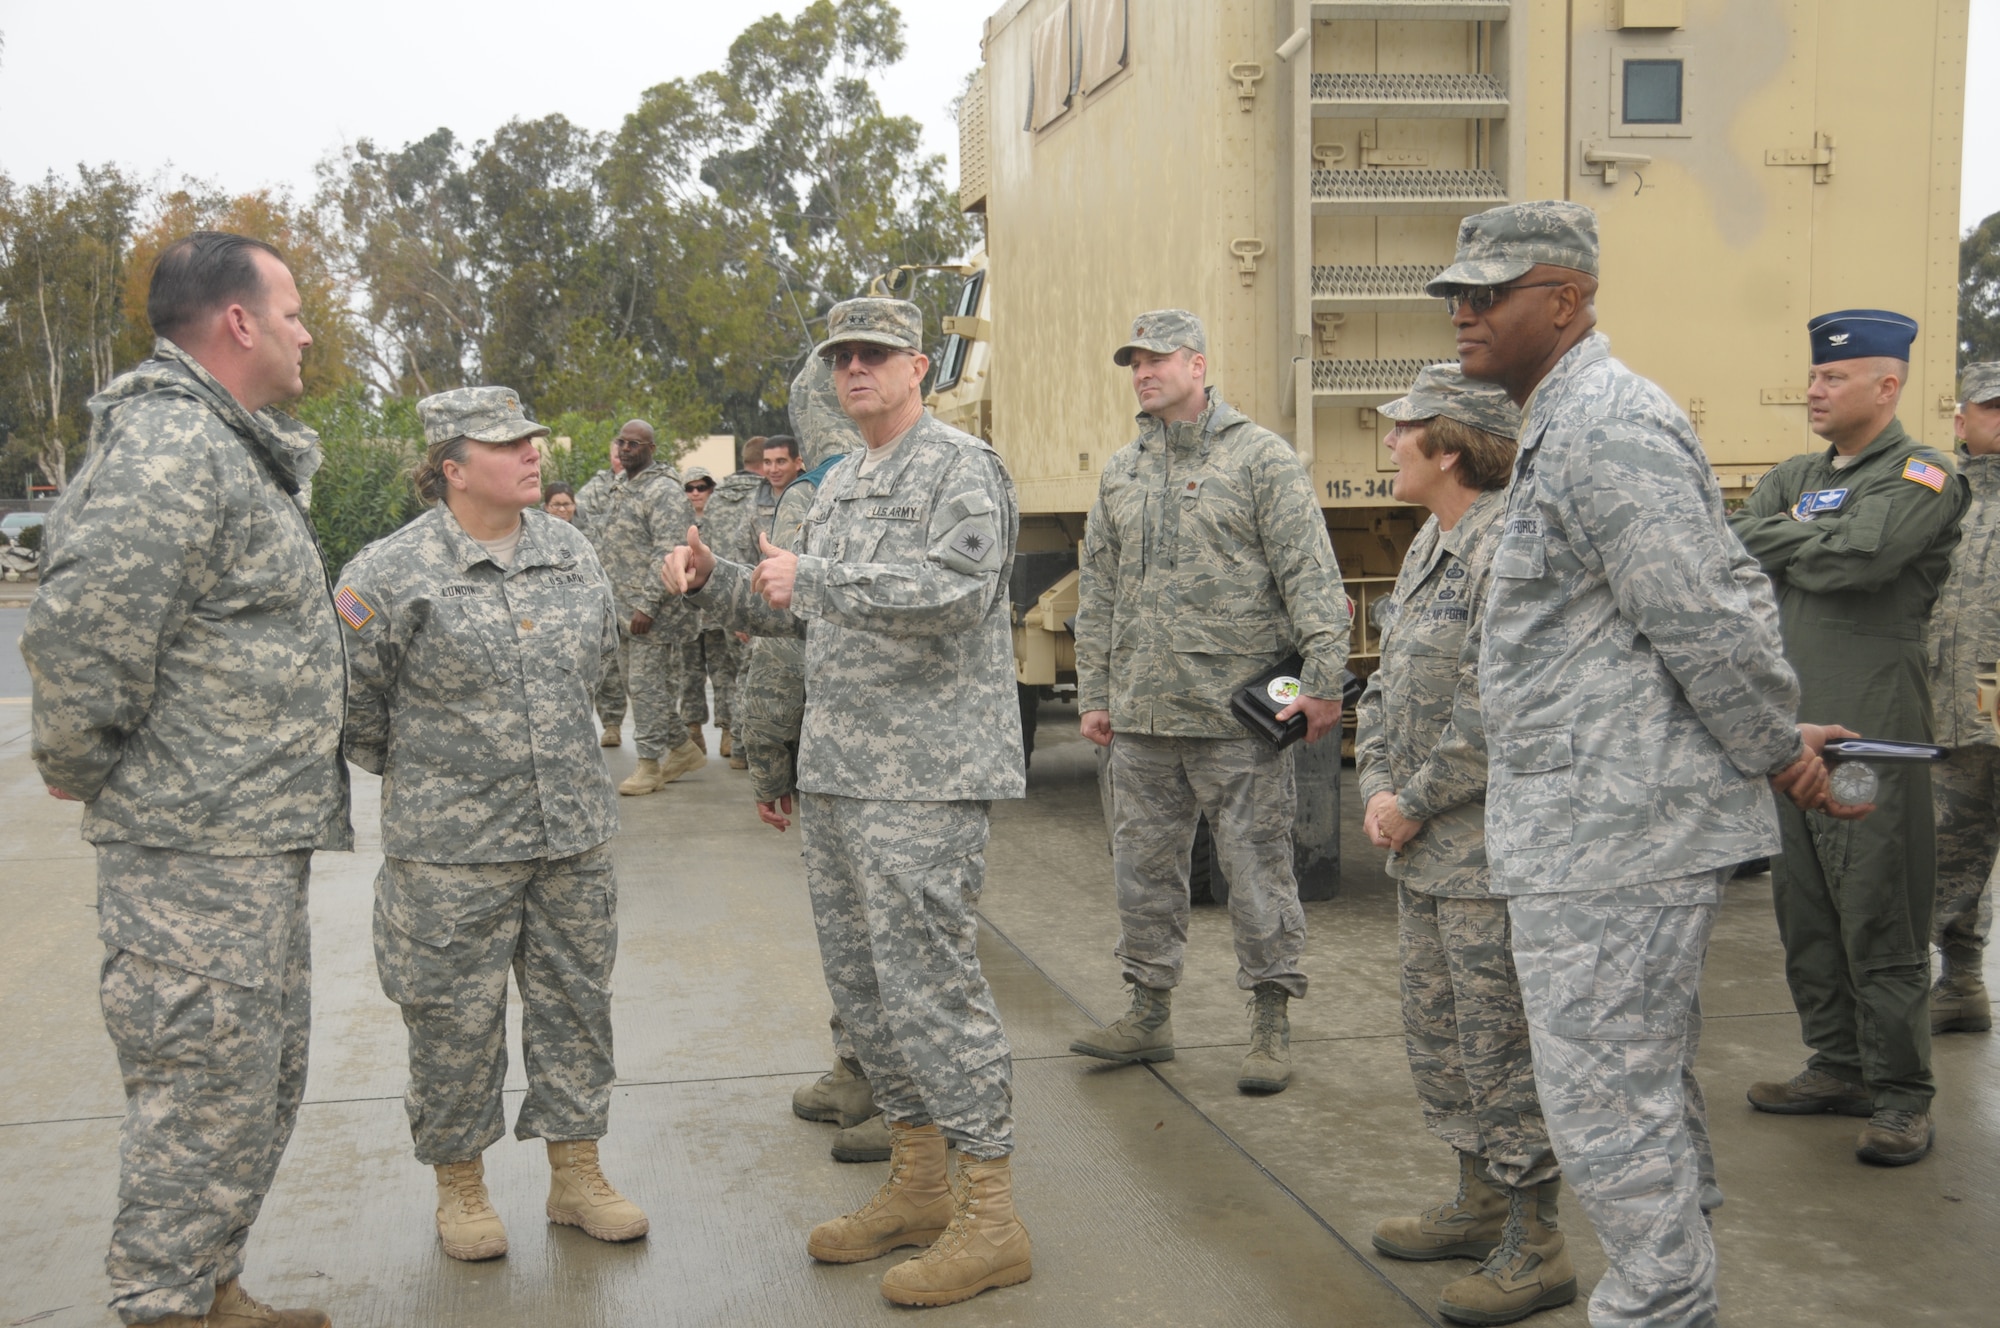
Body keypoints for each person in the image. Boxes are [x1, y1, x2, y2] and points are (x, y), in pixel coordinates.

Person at [1435, 200, 1863, 1328]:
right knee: (1634, 1094)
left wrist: (1777, 747)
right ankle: (1670, 1291)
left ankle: (1656, 1305)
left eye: (1489, 293)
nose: (1463, 313)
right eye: (1458, 294)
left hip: (1616, 836)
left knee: (1604, 1102)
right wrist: (1774, 740)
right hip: (1591, 827)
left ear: (1566, 300)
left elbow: (1708, 617)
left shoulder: (1608, 422)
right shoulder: (1562, 420)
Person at [665, 297, 1031, 1307]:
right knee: (867, 992)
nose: (855, 369)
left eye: (873, 355)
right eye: (840, 357)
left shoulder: (960, 466)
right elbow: (792, 607)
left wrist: (811, 574)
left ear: (920, 364)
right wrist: (716, 578)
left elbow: (958, 591)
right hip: (839, 771)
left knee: (932, 989)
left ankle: (990, 1213)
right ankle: (916, 1185)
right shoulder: (843, 480)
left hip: (926, 771)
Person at [22, 230, 351, 1328]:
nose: (307, 330)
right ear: (239, 321)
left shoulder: (226, 442)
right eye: (294, 309)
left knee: (251, 1083)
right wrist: (81, 760)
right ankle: (165, 1305)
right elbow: (81, 630)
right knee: (199, 1095)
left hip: (242, 835)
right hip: (190, 848)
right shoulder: (170, 447)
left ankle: (212, 1287)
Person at [335, 385, 648, 1265]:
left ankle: (577, 1175)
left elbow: (601, 664)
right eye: (506, 444)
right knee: (451, 1020)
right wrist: (442, 781)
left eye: (532, 439)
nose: (531, 453)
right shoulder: (387, 573)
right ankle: (461, 1186)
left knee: (577, 1005)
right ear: (451, 468)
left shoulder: (572, 551)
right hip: (451, 851)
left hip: (572, 837)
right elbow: (355, 711)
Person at [1067, 309, 1350, 1095]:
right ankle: (1148, 1012)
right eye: (1134, 362)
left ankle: (1269, 1019)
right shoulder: (1122, 469)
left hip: (1235, 718)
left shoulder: (1261, 459)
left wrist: (1324, 678)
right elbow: (1101, 592)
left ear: (1197, 364)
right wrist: (1095, 692)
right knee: (1142, 871)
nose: (1143, 372)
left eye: (1158, 359)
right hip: (1143, 719)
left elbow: (1310, 575)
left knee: (1257, 872)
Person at [1356, 366, 1573, 1324]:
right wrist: (1373, 786)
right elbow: (1385, 680)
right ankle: (1479, 1200)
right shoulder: (1428, 547)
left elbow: (1500, 706)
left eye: (1401, 431)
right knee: (1443, 1038)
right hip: (1424, 850)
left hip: (1488, 853)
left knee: (1501, 1047)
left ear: (1448, 448)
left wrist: (1414, 798)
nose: (1388, 443)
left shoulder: (1507, 548)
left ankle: (1539, 1240)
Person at [1732, 313, 1969, 1166]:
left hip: (1873, 722)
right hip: (1790, 722)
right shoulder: (1792, 473)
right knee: (1805, 906)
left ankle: (1903, 1095)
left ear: (1887, 386)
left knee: (1879, 909)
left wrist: (1793, 544)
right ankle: (1837, 1066)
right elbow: (1737, 547)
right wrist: (1808, 543)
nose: (1815, 389)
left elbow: (1860, 561)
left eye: (1835, 378)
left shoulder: (1923, 472)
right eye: (1814, 376)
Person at [745, 354, 883, 1164]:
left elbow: (783, 640)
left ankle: (882, 1085)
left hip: (850, 751)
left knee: (865, 930)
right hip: (881, 751)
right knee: (864, 929)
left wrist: (769, 759)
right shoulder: (890, 477)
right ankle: (861, 1069)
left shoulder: (813, 496)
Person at [1926, 361, 2000, 1034]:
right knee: (1955, 837)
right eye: (1995, 407)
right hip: (1966, 698)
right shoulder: (1940, 497)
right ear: (1964, 418)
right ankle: (1963, 982)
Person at [594, 419, 704, 794]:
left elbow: (669, 551)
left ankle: (648, 766)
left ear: (651, 449)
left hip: (652, 614)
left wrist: (647, 605)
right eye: (621, 442)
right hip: (622, 610)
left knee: (645, 688)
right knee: (637, 686)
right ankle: (682, 748)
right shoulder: (622, 486)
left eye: (635, 444)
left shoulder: (663, 492)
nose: (625, 449)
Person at [702, 436, 771, 769]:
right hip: (754, 597)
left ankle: (730, 735)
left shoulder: (716, 499)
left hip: (718, 597)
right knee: (754, 674)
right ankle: (744, 748)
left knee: (725, 674)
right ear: (764, 461)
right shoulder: (764, 494)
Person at [677, 465, 741, 755]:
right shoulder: (677, 520)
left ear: (711, 489)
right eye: (688, 488)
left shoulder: (721, 519)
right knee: (689, 674)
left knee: (722, 672)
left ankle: (728, 730)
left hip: (714, 613)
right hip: (688, 613)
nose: (694, 493)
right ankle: (693, 731)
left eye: (700, 487)